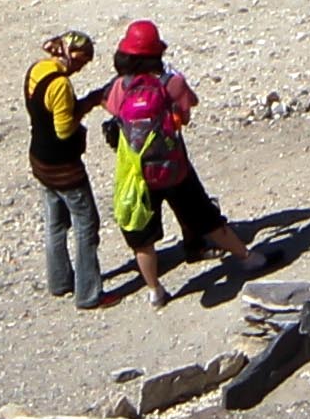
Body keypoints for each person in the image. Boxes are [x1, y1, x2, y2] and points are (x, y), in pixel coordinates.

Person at [98, 17, 252, 302]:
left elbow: (112, 110)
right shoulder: (172, 82)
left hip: (136, 172)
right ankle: (246, 258)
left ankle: (155, 290)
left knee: (143, 239)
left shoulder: (119, 87)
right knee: (205, 215)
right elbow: (188, 111)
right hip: (174, 165)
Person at [20, 31, 107, 304]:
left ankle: (59, 282)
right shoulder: (60, 86)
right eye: (81, 62)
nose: (80, 68)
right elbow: (64, 129)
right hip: (64, 167)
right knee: (86, 224)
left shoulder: (36, 70)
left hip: (39, 159)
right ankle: (89, 293)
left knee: (55, 223)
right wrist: (87, 105)